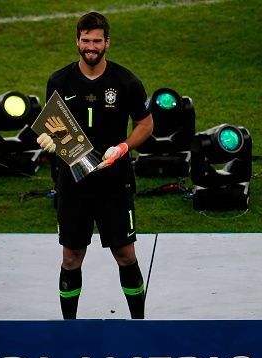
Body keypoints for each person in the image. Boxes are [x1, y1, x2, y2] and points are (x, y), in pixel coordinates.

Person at [37, 12, 154, 319]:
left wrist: (124, 146)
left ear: (107, 43)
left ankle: (139, 323)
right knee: (72, 256)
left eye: (96, 41)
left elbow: (146, 123)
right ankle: (69, 327)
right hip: (74, 183)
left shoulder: (126, 81)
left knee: (126, 255)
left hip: (114, 182)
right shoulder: (59, 81)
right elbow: (52, 126)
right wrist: (49, 141)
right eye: (85, 40)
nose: (91, 47)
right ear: (77, 41)